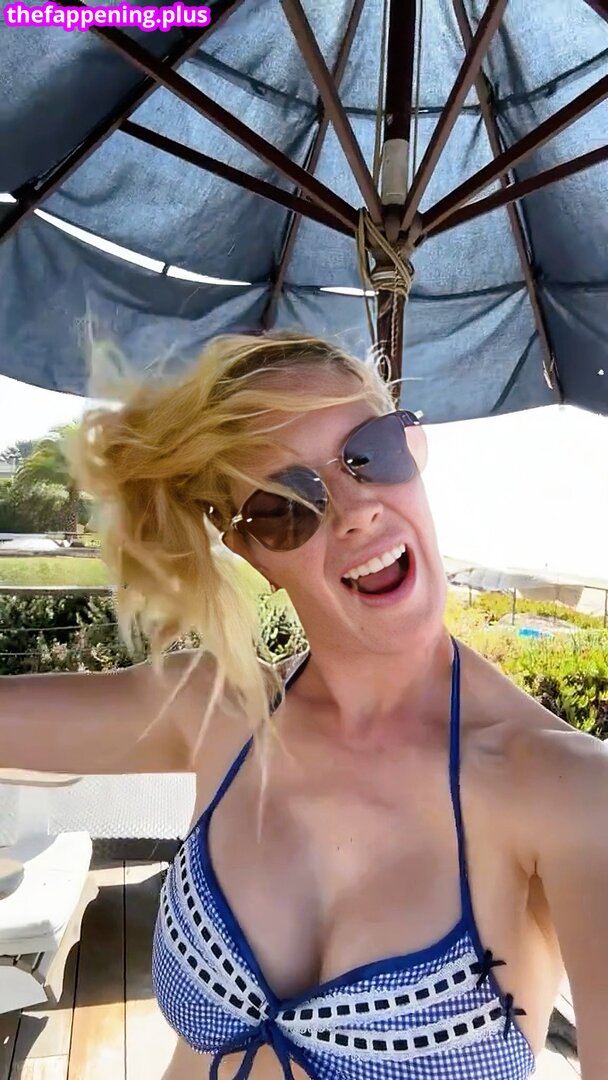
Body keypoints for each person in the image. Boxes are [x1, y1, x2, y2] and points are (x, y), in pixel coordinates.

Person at [1, 332, 606, 1080]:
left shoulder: (568, 789)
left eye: (371, 453)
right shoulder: (217, 712)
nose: (355, 512)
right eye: (286, 506)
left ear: (412, 451)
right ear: (251, 551)